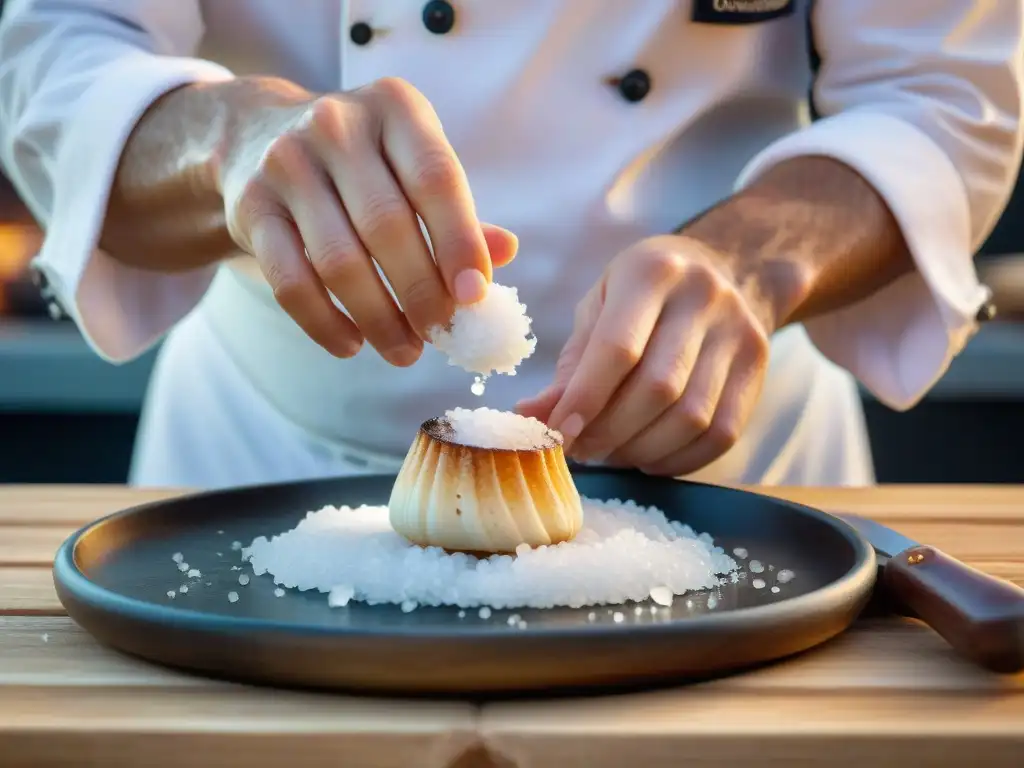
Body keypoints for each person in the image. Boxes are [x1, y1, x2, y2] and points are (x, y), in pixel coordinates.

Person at [0, 1, 1019, 490]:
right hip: (263, 459)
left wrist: (750, 263)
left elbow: (941, 91)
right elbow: (62, 46)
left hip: (741, 472)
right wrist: (227, 144)